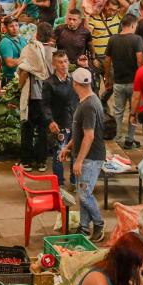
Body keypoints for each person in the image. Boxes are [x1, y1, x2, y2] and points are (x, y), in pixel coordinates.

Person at [59, 67, 109, 241]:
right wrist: (68, 147)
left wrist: (79, 161)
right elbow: (80, 132)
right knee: (83, 193)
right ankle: (83, 227)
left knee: (84, 194)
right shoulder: (88, 100)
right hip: (87, 156)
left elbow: (89, 135)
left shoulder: (88, 106)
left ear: (75, 84)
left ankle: (99, 223)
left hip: (90, 158)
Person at [17, 22, 54, 172]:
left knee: (27, 128)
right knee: (43, 130)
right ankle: (41, 161)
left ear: (37, 34)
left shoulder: (30, 50)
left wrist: (19, 87)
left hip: (32, 96)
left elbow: (24, 72)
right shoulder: (54, 52)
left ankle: (26, 162)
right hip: (47, 98)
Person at [41, 51, 78, 188]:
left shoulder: (73, 80)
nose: (64, 65)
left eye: (66, 61)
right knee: (59, 154)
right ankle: (59, 184)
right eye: (60, 62)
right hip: (59, 124)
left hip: (75, 123)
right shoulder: (49, 83)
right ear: (54, 64)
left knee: (75, 152)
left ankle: (75, 180)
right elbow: (44, 105)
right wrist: (50, 121)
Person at [0, 16, 27, 84]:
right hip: (11, 80)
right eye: (11, 26)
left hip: (22, 77)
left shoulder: (22, 40)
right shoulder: (6, 42)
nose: (15, 28)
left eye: (16, 25)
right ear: (5, 28)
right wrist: (25, 60)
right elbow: (9, 63)